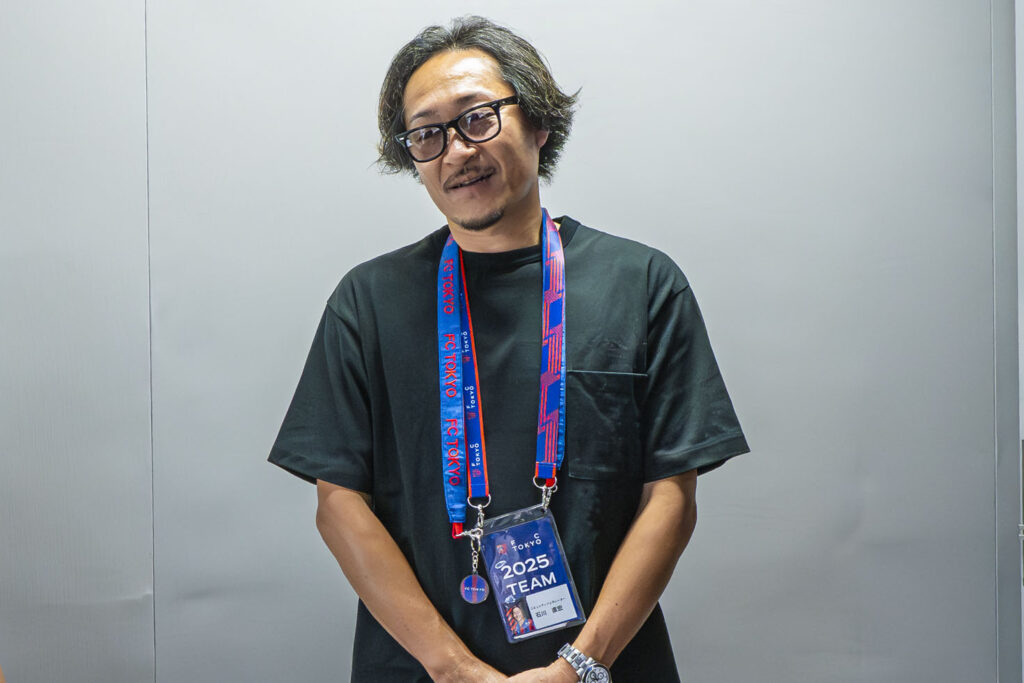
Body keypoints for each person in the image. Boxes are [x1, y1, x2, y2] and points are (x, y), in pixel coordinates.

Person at [269, 15, 749, 682]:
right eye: (427, 133)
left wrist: (580, 665)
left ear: (539, 122)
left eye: (478, 118)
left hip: (604, 667)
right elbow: (338, 503)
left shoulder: (640, 284)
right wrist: (453, 668)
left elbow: (670, 494)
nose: (456, 151)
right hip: (420, 669)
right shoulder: (368, 301)